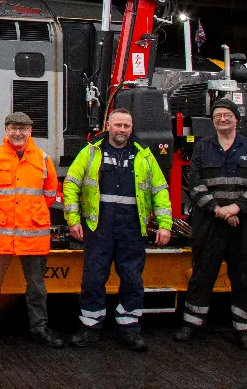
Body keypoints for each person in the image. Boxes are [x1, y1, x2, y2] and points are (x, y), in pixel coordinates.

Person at [64, 107, 172, 351]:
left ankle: (130, 328)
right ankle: (90, 326)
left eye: (126, 126)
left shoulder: (143, 156)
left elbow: (160, 190)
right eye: (118, 125)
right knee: (93, 279)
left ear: (131, 128)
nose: (122, 130)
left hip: (131, 228)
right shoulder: (91, 152)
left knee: (133, 279)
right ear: (109, 126)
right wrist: (73, 220)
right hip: (98, 227)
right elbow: (71, 184)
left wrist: (165, 225)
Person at [174, 97, 247, 350]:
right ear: (213, 121)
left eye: (227, 115)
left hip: (245, 223)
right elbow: (195, 184)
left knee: (246, 275)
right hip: (210, 222)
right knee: (203, 273)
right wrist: (219, 210)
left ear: (237, 119)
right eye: (217, 116)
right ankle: (192, 323)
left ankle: (245, 329)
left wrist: (236, 208)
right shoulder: (203, 148)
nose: (222, 120)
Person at [0, 111, 64, 349]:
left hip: (32, 236)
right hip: (0, 235)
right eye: (13, 128)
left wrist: (27, 217)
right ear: (6, 130)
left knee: (36, 285)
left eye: (22, 128)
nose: (18, 133)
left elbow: (49, 194)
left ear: (30, 131)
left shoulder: (43, 160)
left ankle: (39, 328)